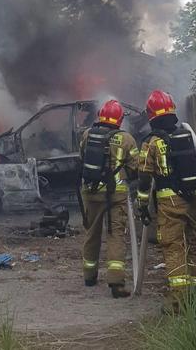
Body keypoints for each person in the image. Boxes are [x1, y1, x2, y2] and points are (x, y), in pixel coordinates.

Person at [136, 90, 196, 313]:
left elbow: (144, 176)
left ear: (151, 114)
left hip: (170, 205)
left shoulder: (152, 143)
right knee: (193, 244)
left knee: (174, 248)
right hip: (193, 199)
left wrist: (142, 204)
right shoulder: (188, 134)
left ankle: (178, 302)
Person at [79, 99, 140, 298]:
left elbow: (82, 157)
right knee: (116, 236)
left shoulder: (88, 134)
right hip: (116, 195)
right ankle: (116, 283)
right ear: (120, 119)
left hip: (90, 192)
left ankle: (89, 276)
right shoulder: (126, 139)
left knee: (92, 233)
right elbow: (135, 167)